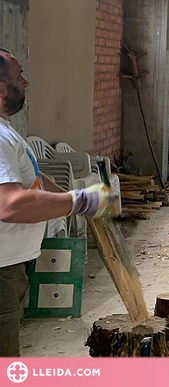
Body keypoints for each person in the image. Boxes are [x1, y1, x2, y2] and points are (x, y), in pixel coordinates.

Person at [0, 48, 116, 356]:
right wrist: (75, 202)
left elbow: (35, 181)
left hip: (10, 266)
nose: (26, 83)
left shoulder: (8, 133)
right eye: (18, 76)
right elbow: (9, 204)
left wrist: (76, 195)